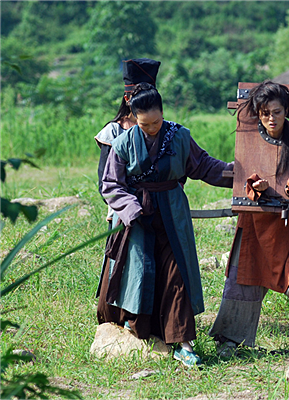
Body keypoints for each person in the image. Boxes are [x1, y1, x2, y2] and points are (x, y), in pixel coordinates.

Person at [98, 82, 234, 367]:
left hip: (173, 212)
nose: (152, 128)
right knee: (141, 272)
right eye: (145, 124)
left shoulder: (180, 136)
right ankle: (142, 332)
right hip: (139, 217)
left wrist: (239, 174)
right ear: (134, 118)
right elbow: (111, 185)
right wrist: (131, 209)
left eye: (157, 121)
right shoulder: (123, 143)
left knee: (177, 274)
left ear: (163, 113)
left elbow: (204, 166)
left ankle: (183, 343)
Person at [208, 81, 289, 359]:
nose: (271, 119)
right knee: (243, 277)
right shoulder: (253, 140)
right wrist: (257, 187)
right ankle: (231, 339)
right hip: (255, 224)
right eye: (264, 113)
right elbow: (246, 177)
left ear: (287, 111)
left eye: (276, 112)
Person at [95, 58, 161, 217]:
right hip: (125, 211)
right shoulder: (114, 132)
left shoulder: (163, 128)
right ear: (127, 99)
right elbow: (106, 183)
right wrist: (129, 207)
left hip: (161, 208)